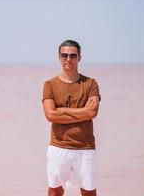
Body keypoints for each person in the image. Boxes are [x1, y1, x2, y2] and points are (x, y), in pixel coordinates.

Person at [42, 39, 101, 196]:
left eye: (73, 56)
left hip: (85, 147)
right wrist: (82, 112)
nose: (68, 59)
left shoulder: (91, 84)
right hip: (58, 147)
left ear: (79, 57)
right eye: (65, 55)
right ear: (59, 57)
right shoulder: (50, 84)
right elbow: (50, 115)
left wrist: (62, 111)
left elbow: (92, 113)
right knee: (54, 192)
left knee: (89, 192)